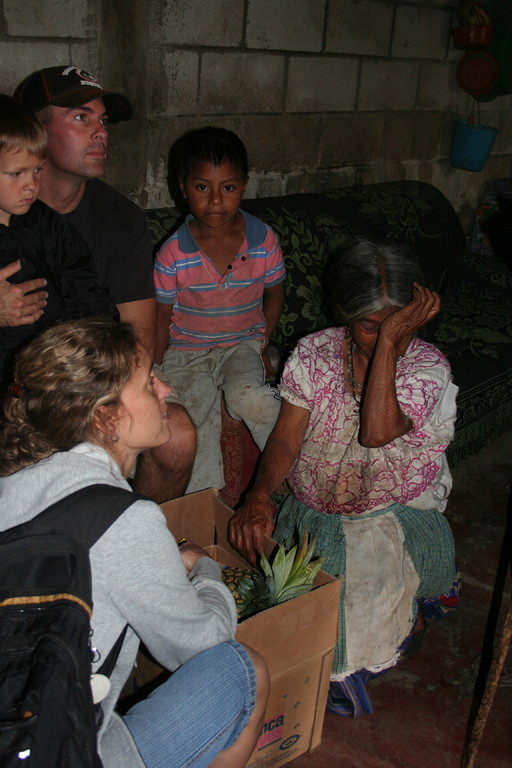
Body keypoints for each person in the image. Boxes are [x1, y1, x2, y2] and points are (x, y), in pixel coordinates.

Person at [0, 317, 269, 768]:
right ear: (107, 418)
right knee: (244, 668)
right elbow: (205, 642)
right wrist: (204, 570)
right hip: (61, 749)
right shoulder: (124, 520)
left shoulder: (16, 481)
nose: (165, 390)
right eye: (148, 384)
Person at [228, 240, 460, 718]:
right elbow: (288, 440)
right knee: (296, 620)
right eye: (369, 326)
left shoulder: (427, 367)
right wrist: (260, 495)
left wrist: (392, 342)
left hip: (385, 514)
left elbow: (376, 432)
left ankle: (416, 598)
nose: (380, 337)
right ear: (345, 315)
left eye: (395, 326)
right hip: (316, 509)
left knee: (351, 639)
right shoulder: (316, 353)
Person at [14, 65, 196, 501]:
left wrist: (105, 407)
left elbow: (139, 341)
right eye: (81, 118)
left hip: (100, 385)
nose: (100, 133)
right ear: (35, 131)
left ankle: (141, 545)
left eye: (103, 121)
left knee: (178, 436)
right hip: (20, 389)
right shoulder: (7, 214)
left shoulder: (121, 218)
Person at [154, 126, 285, 494]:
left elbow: (275, 294)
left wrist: (263, 340)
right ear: (182, 187)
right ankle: (204, 504)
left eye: (227, 187)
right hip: (185, 354)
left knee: (249, 398)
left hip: (240, 346)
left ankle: (300, 469)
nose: (215, 200)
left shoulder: (263, 240)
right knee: (196, 422)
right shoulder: (172, 253)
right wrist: (155, 367)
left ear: (244, 185)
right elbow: (161, 317)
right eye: (202, 187)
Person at [0, 94, 117, 386]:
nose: (31, 185)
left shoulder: (45, 221)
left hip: (52, 375)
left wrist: (104, 341)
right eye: (16, 173)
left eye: (37, 170)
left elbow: (83, 283)